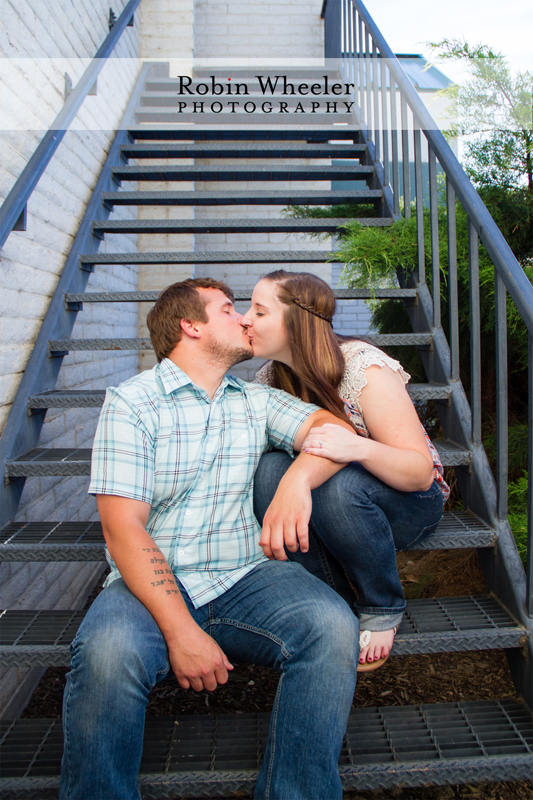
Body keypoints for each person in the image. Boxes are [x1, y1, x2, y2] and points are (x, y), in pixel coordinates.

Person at [60, 277, 363, 800]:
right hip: (150, 586)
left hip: (247, 575)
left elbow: (333, 429)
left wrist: (295, 480)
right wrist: (181, 633)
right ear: (191, 326)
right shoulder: (132, 404)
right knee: (107, 655)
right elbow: (122, 527)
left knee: (332, 626)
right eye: (228, 309)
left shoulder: (255, 399)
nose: (244, 319)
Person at [241, 270, 447, 672]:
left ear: (297, 322)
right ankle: (333, 603)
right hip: (336, 509)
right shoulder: (269, 379)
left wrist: (358, 447)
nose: (245, 319)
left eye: (259, 311)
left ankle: (381, 603)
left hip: (407, 502)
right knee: (268, 473)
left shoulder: (362, 368)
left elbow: (420, 473)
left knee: (341, 486)